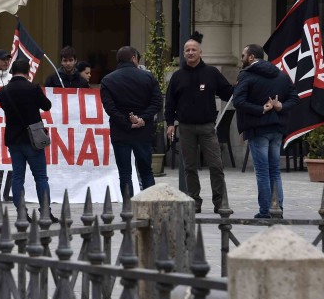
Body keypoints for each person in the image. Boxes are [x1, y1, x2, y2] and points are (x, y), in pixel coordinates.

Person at [165, 33, 234, 213]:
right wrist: (170, 123)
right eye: (187, 50)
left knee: (216, 165)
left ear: (200, 52)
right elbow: (170, 102)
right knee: (189, 167)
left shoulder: (211, 73)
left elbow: (227, 93)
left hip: (207, 127)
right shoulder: (177, 76)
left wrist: (240, 86)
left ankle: (220, 202)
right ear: (183, 53)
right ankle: (194, 201)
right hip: (185, 127)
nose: (190, 52)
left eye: (193, 50)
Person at [233, 44, 300, 219]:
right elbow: (294, 98)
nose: (241, 58)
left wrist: (261, 109)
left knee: (262, 171)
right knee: (274, 170)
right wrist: (281, 106)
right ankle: (277, 208)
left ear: (251, 57)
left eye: (243, 55)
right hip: (277, 129)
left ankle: (265, 211)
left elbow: (238, 101)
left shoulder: (246, 75)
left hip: (258, 129)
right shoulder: (281, 75)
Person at [0, 59, 57, 222]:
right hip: (33, 139)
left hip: (13, 139)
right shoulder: (33, 88)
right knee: (41, 177)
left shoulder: (4, 91)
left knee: (18, 177)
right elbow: (46, 106)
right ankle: (45, 211)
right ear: (28, 72)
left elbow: (4, 108)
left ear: (12, 72)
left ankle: (21, 212)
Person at [100, 46, 162, 198]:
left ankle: (128, 207)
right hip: (143, 131)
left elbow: (110, 108)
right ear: (134, 58)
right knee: (146, 171)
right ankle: (149, 205)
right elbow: (157, 102)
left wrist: (127, 123)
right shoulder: (148, 77)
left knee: (125, 173)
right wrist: (143, 118)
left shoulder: (108, 80)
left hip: (121, 131)